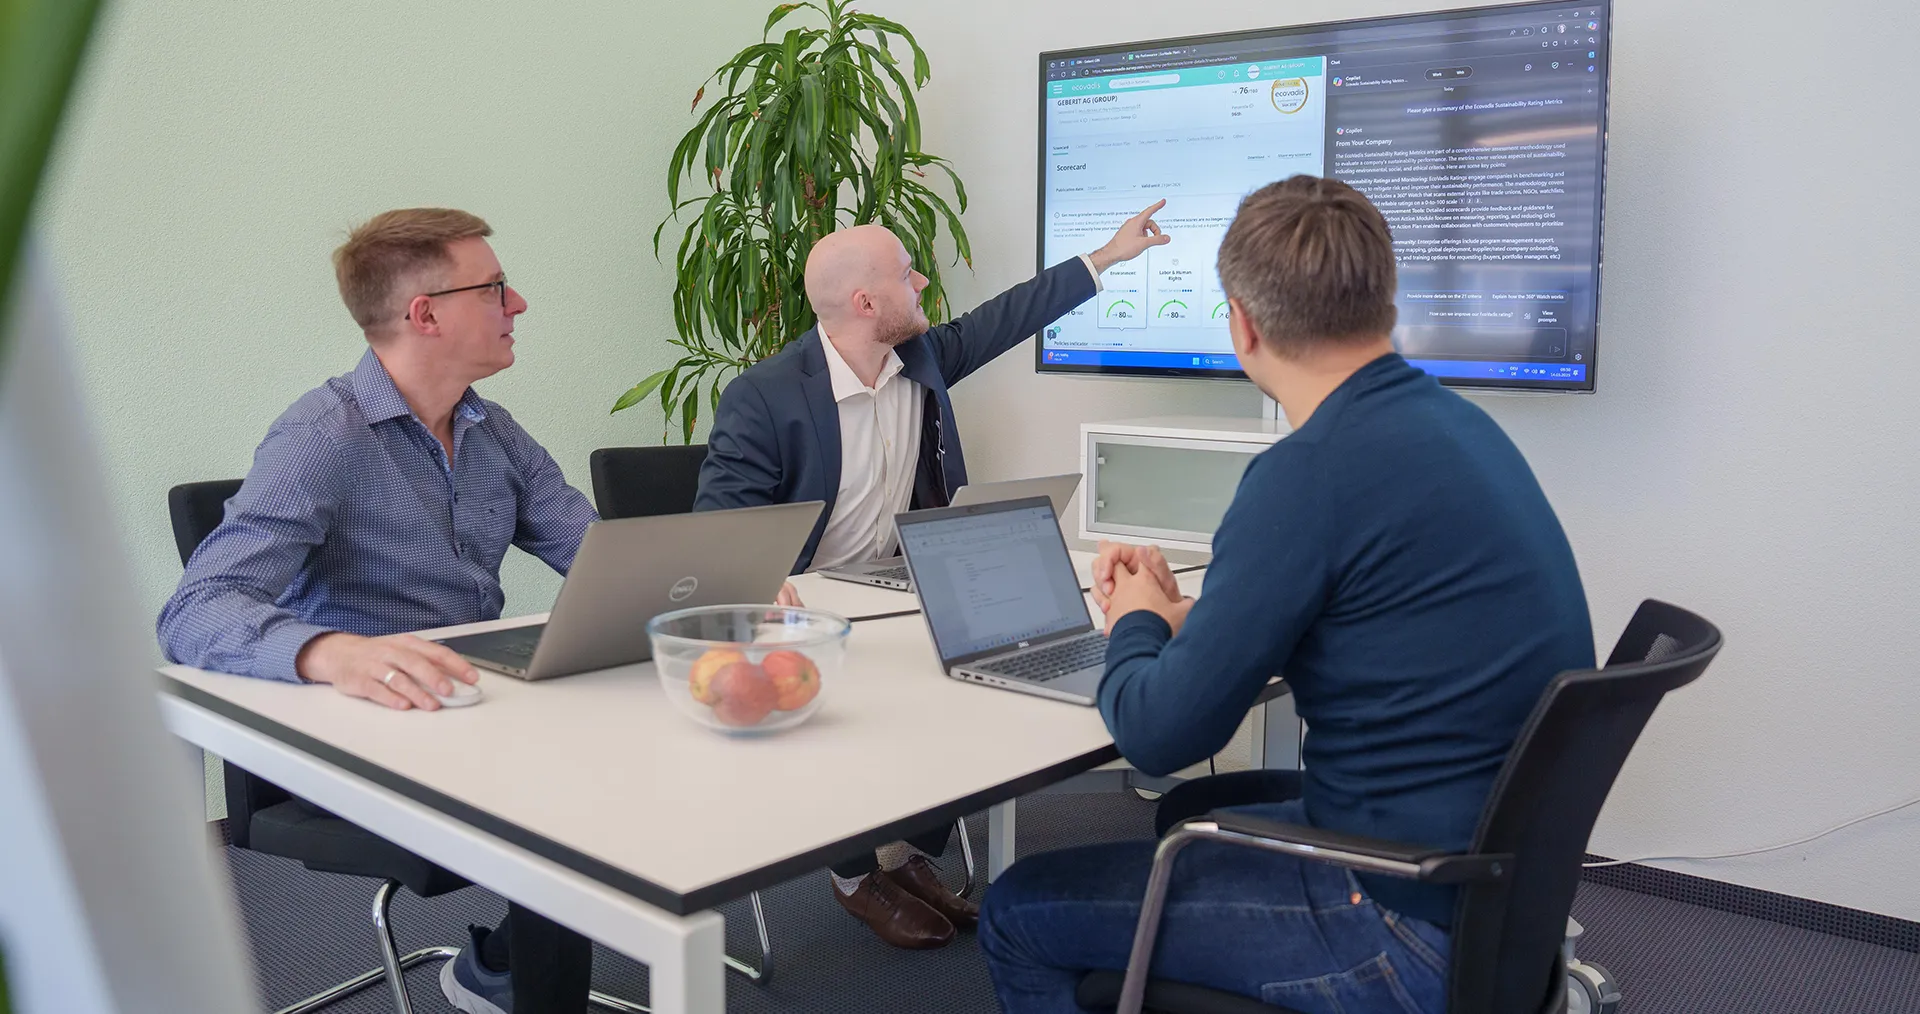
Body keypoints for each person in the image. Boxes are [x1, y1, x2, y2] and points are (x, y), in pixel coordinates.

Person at [975, 175, 1595, 1013]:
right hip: (1488, 886)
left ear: (1242, 324)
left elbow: (1157, 734)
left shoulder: (1308, 474)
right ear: (1383, 299)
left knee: (1018, 909)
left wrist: (1134, 623)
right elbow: (1363, 609)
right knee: (1196, 809)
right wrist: (1192, 616)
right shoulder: (1457, 427)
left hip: (1396, 918)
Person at [158, 208, 601, 1014]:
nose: (520, 304)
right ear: (424, 314)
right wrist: (332, 652)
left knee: (642, 738)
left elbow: (594, 552)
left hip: (474, 705)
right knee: (568, 800)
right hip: (362, 735)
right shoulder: (323, 436)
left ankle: (500, 968)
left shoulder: (493, 430)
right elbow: (195, 611)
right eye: (496, 288)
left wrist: (697, 583)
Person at [693, 204, 1171, 949]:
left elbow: (1007, 317)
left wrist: (1105, 258)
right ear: (865, 303)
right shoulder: (766, 396)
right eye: (906, 273)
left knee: (982, 662)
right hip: (809, 608)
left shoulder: (920, 358)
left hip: (899, 585)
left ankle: (908, 855)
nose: (922, 281)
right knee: (867, 694)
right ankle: (854, 876)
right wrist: (755, 583)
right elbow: (718, 530)